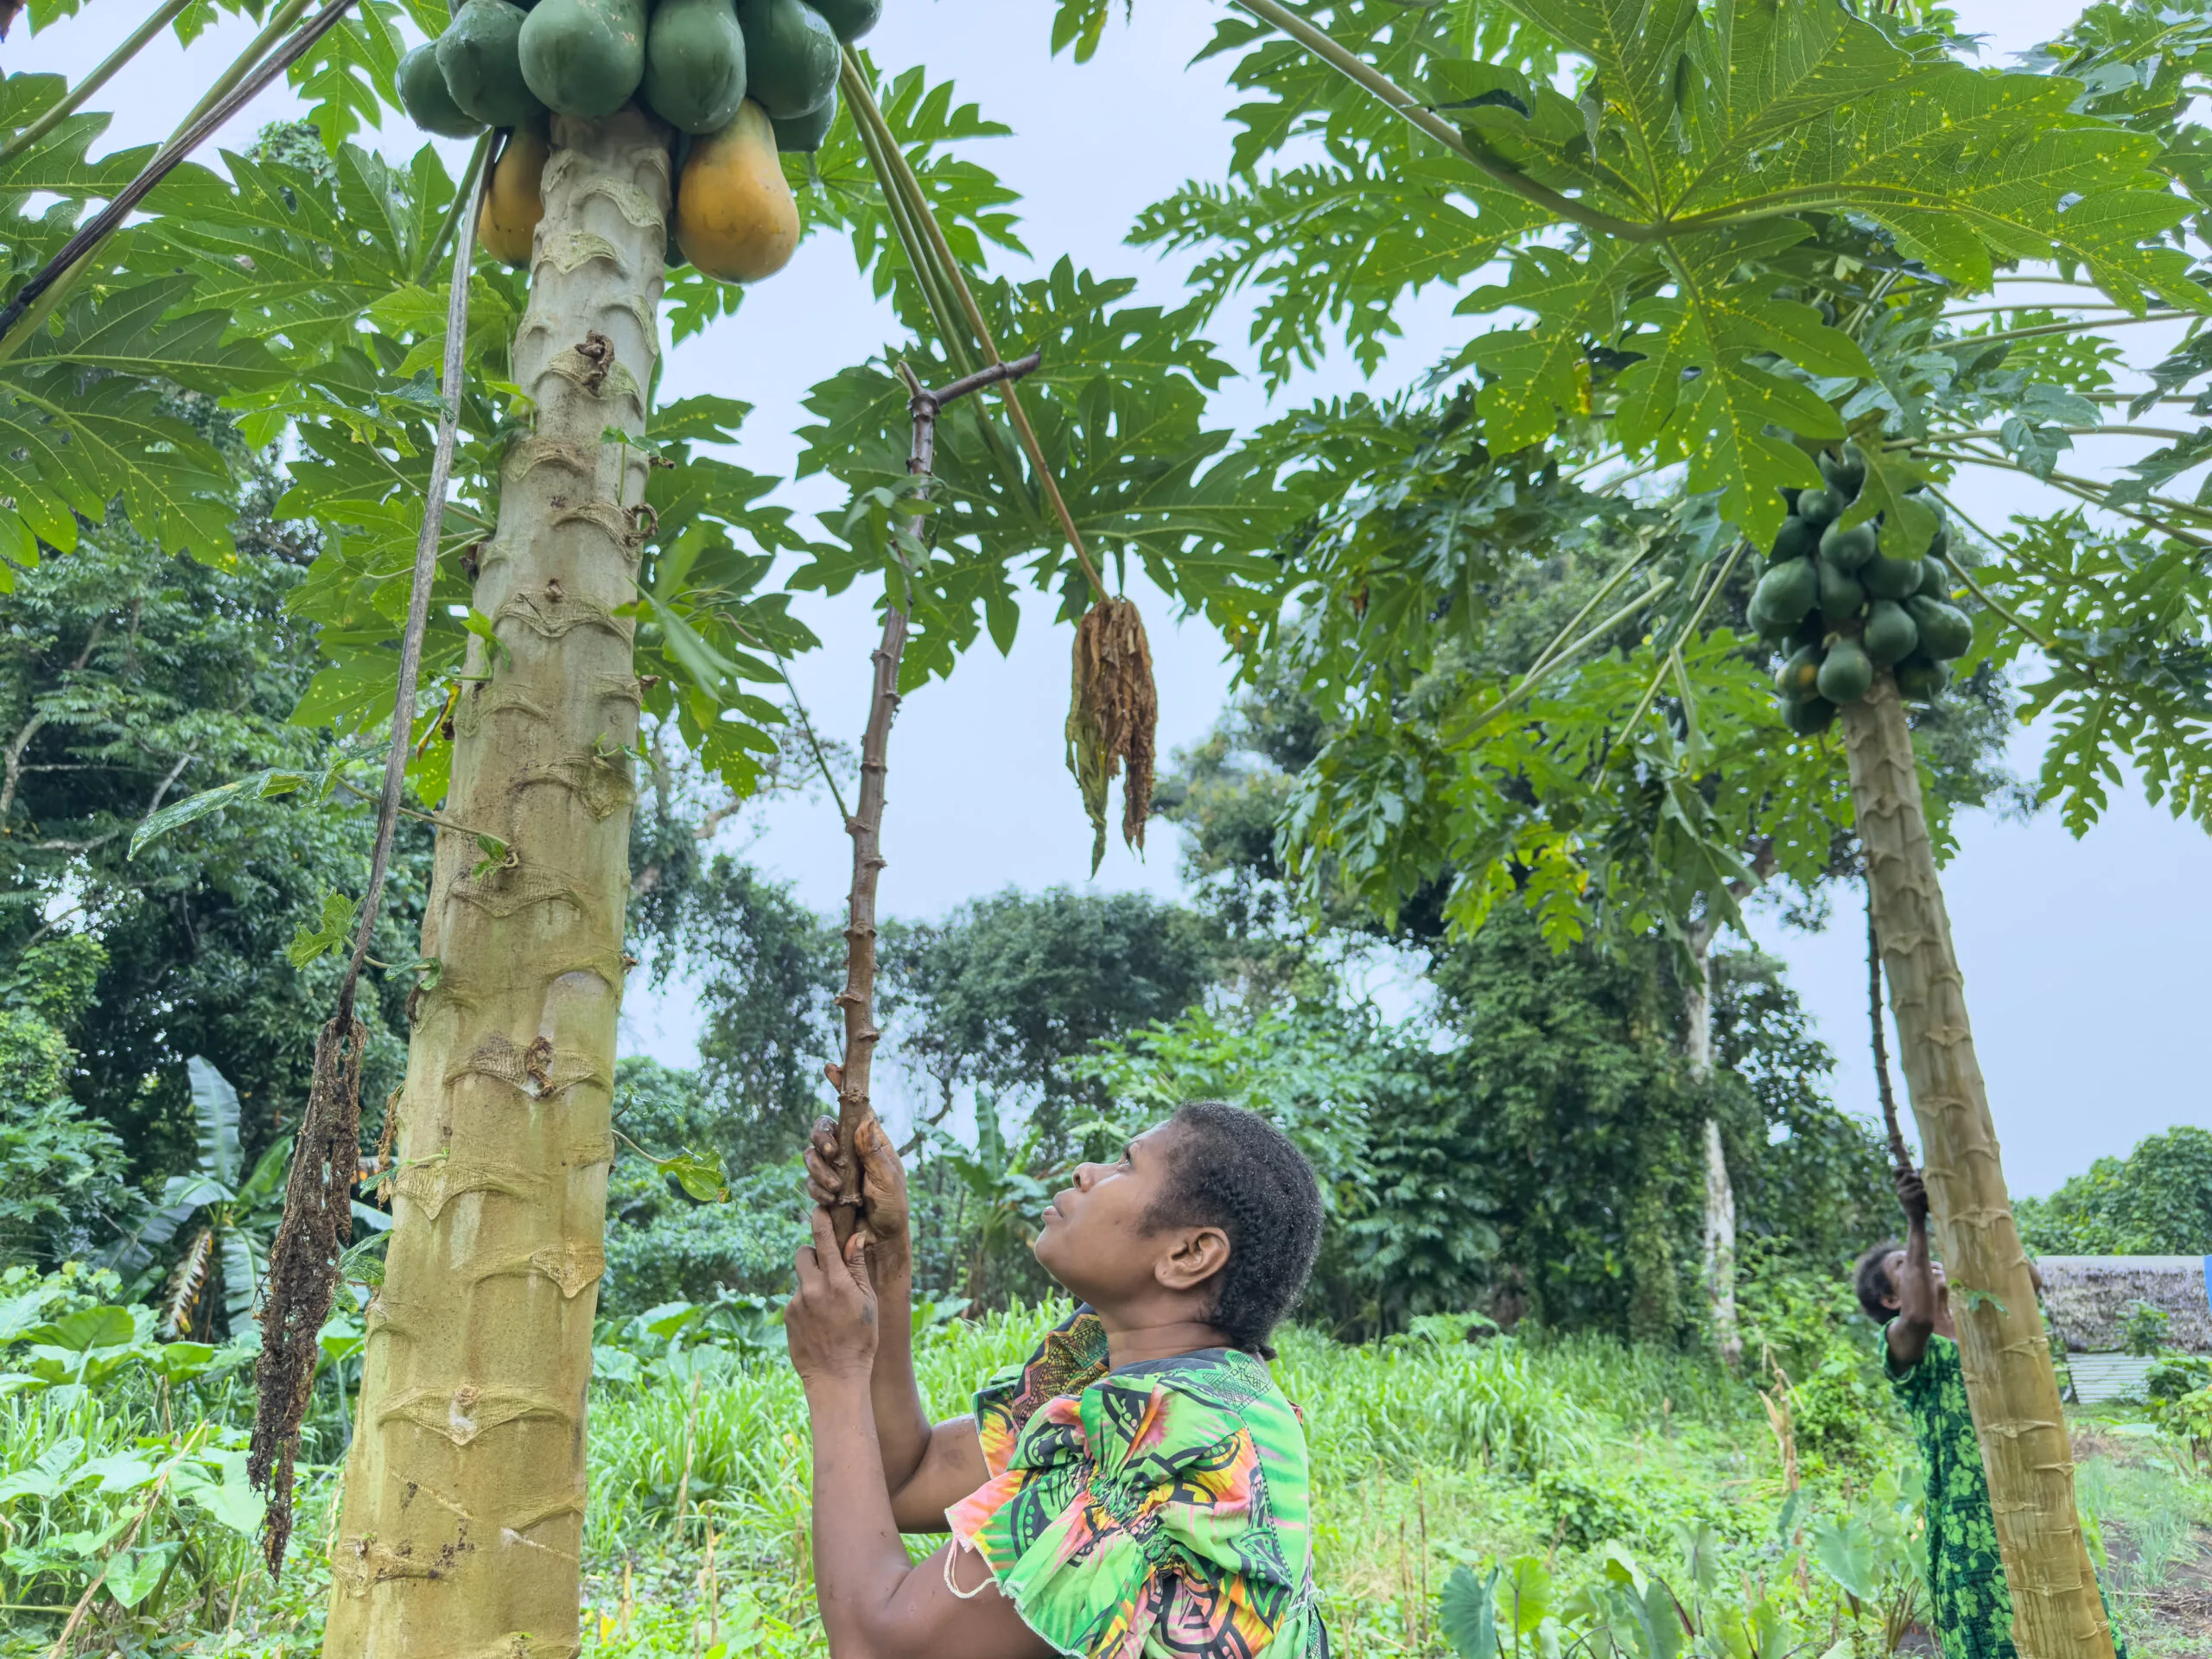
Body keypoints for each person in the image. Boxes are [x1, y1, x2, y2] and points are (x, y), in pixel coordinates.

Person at [782, 1093, 1332, 1659]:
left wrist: (835, 1370)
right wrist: (886, 1254)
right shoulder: (1120, 1361)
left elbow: (878, 1646)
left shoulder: (1175, 1444)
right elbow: (907, 1477)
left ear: (1190, 1254)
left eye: (1125, 1165)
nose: (1085, 1173)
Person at [1853, 1165, 2126, 1659]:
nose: (1927, 1263)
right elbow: (1917, 1315)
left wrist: (1976, 1207)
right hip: (1969, 1518)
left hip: (2034, 1492)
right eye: (1904, 1266)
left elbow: (2031, 1282)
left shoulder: (1982, 1318)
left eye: (1921, 1256)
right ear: (1890, 1298)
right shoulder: (1901, 1344)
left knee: (2074, 1618)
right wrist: (1916, 1222)